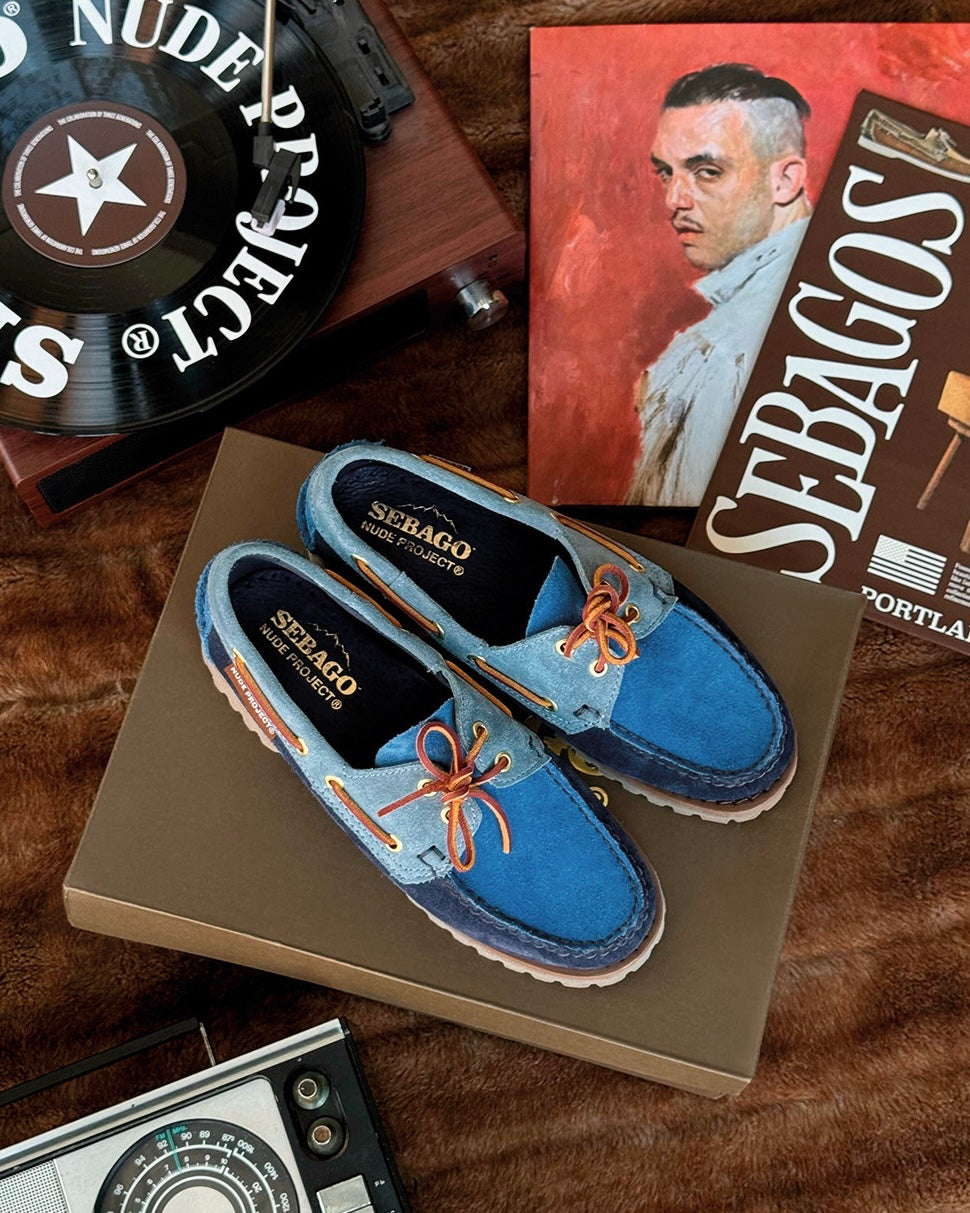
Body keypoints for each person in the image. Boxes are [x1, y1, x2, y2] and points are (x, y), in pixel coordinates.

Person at [625, 63, 813, 506]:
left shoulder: (721, 356)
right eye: (666, 172)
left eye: (707, 171)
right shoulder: (831, 274)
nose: (674, 200)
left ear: (785, 180)